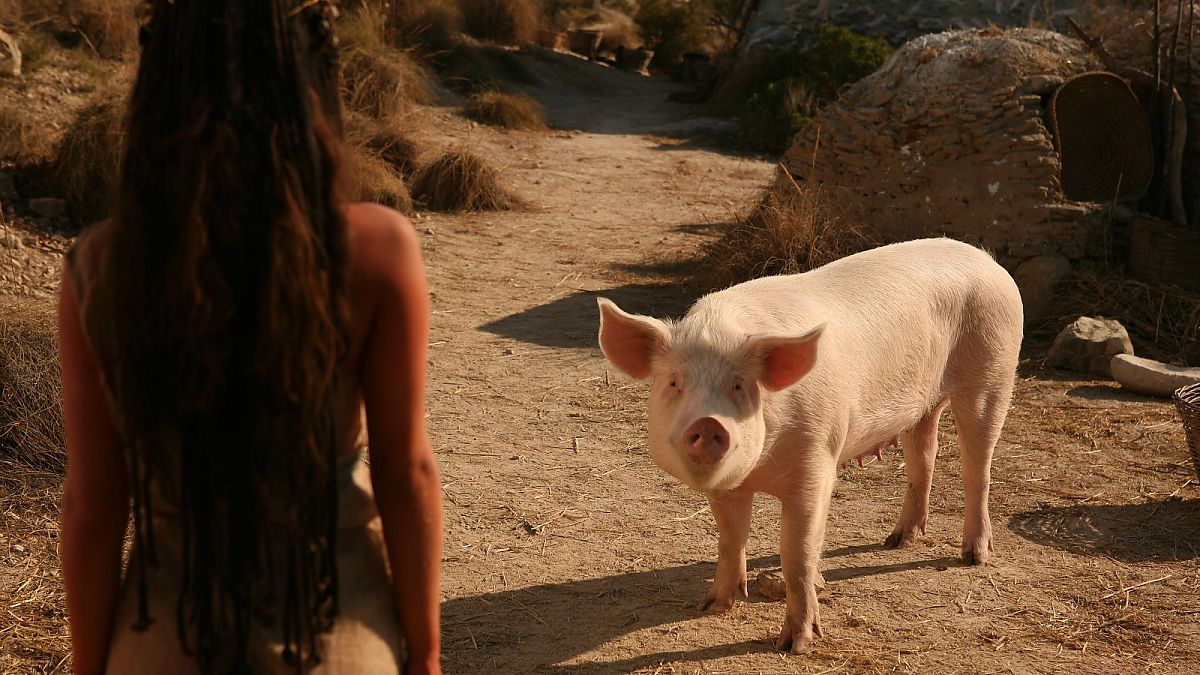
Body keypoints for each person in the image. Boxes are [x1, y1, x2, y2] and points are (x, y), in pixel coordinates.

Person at [55, 1, 443, 672]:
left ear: (158, 91)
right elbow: (406, 475)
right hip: (333, 635)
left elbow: (94, 505)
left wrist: (91, 665)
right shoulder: (377, 251)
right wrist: (428, 655)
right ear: (312, 88)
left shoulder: (99, 267)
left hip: (162, 640)